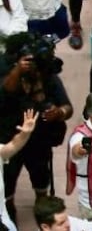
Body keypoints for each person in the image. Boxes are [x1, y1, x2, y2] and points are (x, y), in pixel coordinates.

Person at [0, 33, 73, 220]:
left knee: (41, 181)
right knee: (6, 187)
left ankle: (44, 214)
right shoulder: (5, 69)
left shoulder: (47, 75)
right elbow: (4, 95)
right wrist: (18, 70)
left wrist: (59, 113)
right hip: (9, 139)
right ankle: (9, 218)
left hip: (39, 140)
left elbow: (67, 107)